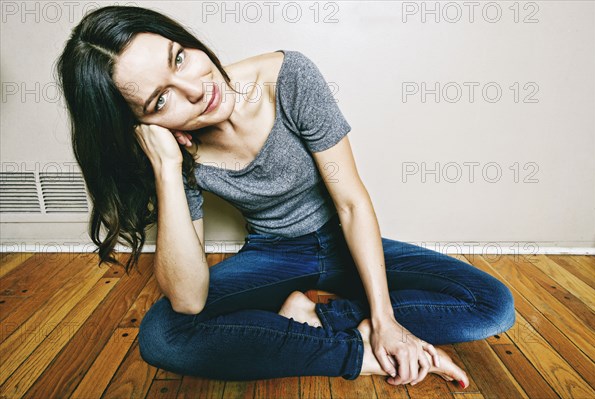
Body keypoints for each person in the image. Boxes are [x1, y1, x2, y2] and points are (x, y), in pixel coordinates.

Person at [55, 5, 515, 387]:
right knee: (163, 335)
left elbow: (351, 203)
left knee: (493, 305)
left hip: (340, 238)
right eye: (160, 101)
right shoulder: (172, 152)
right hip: (273, 254)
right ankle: (351, 351)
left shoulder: (288, 78)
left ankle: (318, 315)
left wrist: (386, 320)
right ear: (140, 126)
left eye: (179, 58)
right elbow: (189, 299)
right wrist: (168, 171)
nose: (197, 89)